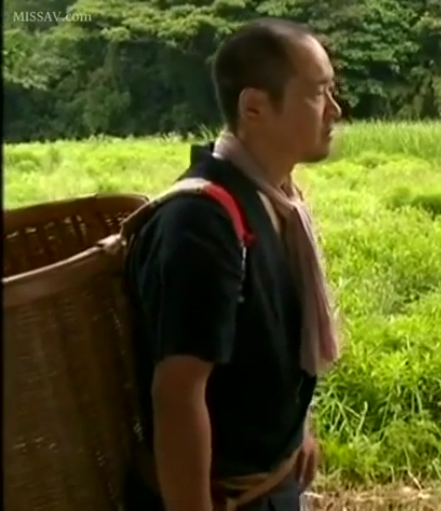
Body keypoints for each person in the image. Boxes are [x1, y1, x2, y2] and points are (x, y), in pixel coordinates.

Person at [123, 18, 343, 511]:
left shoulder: (278, 199)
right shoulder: (200, 223)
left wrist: (295, 433)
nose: (335, 109)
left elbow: (273, 345)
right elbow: (178, 395)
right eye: (317, 94)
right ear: (254, 107)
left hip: (274, 486)